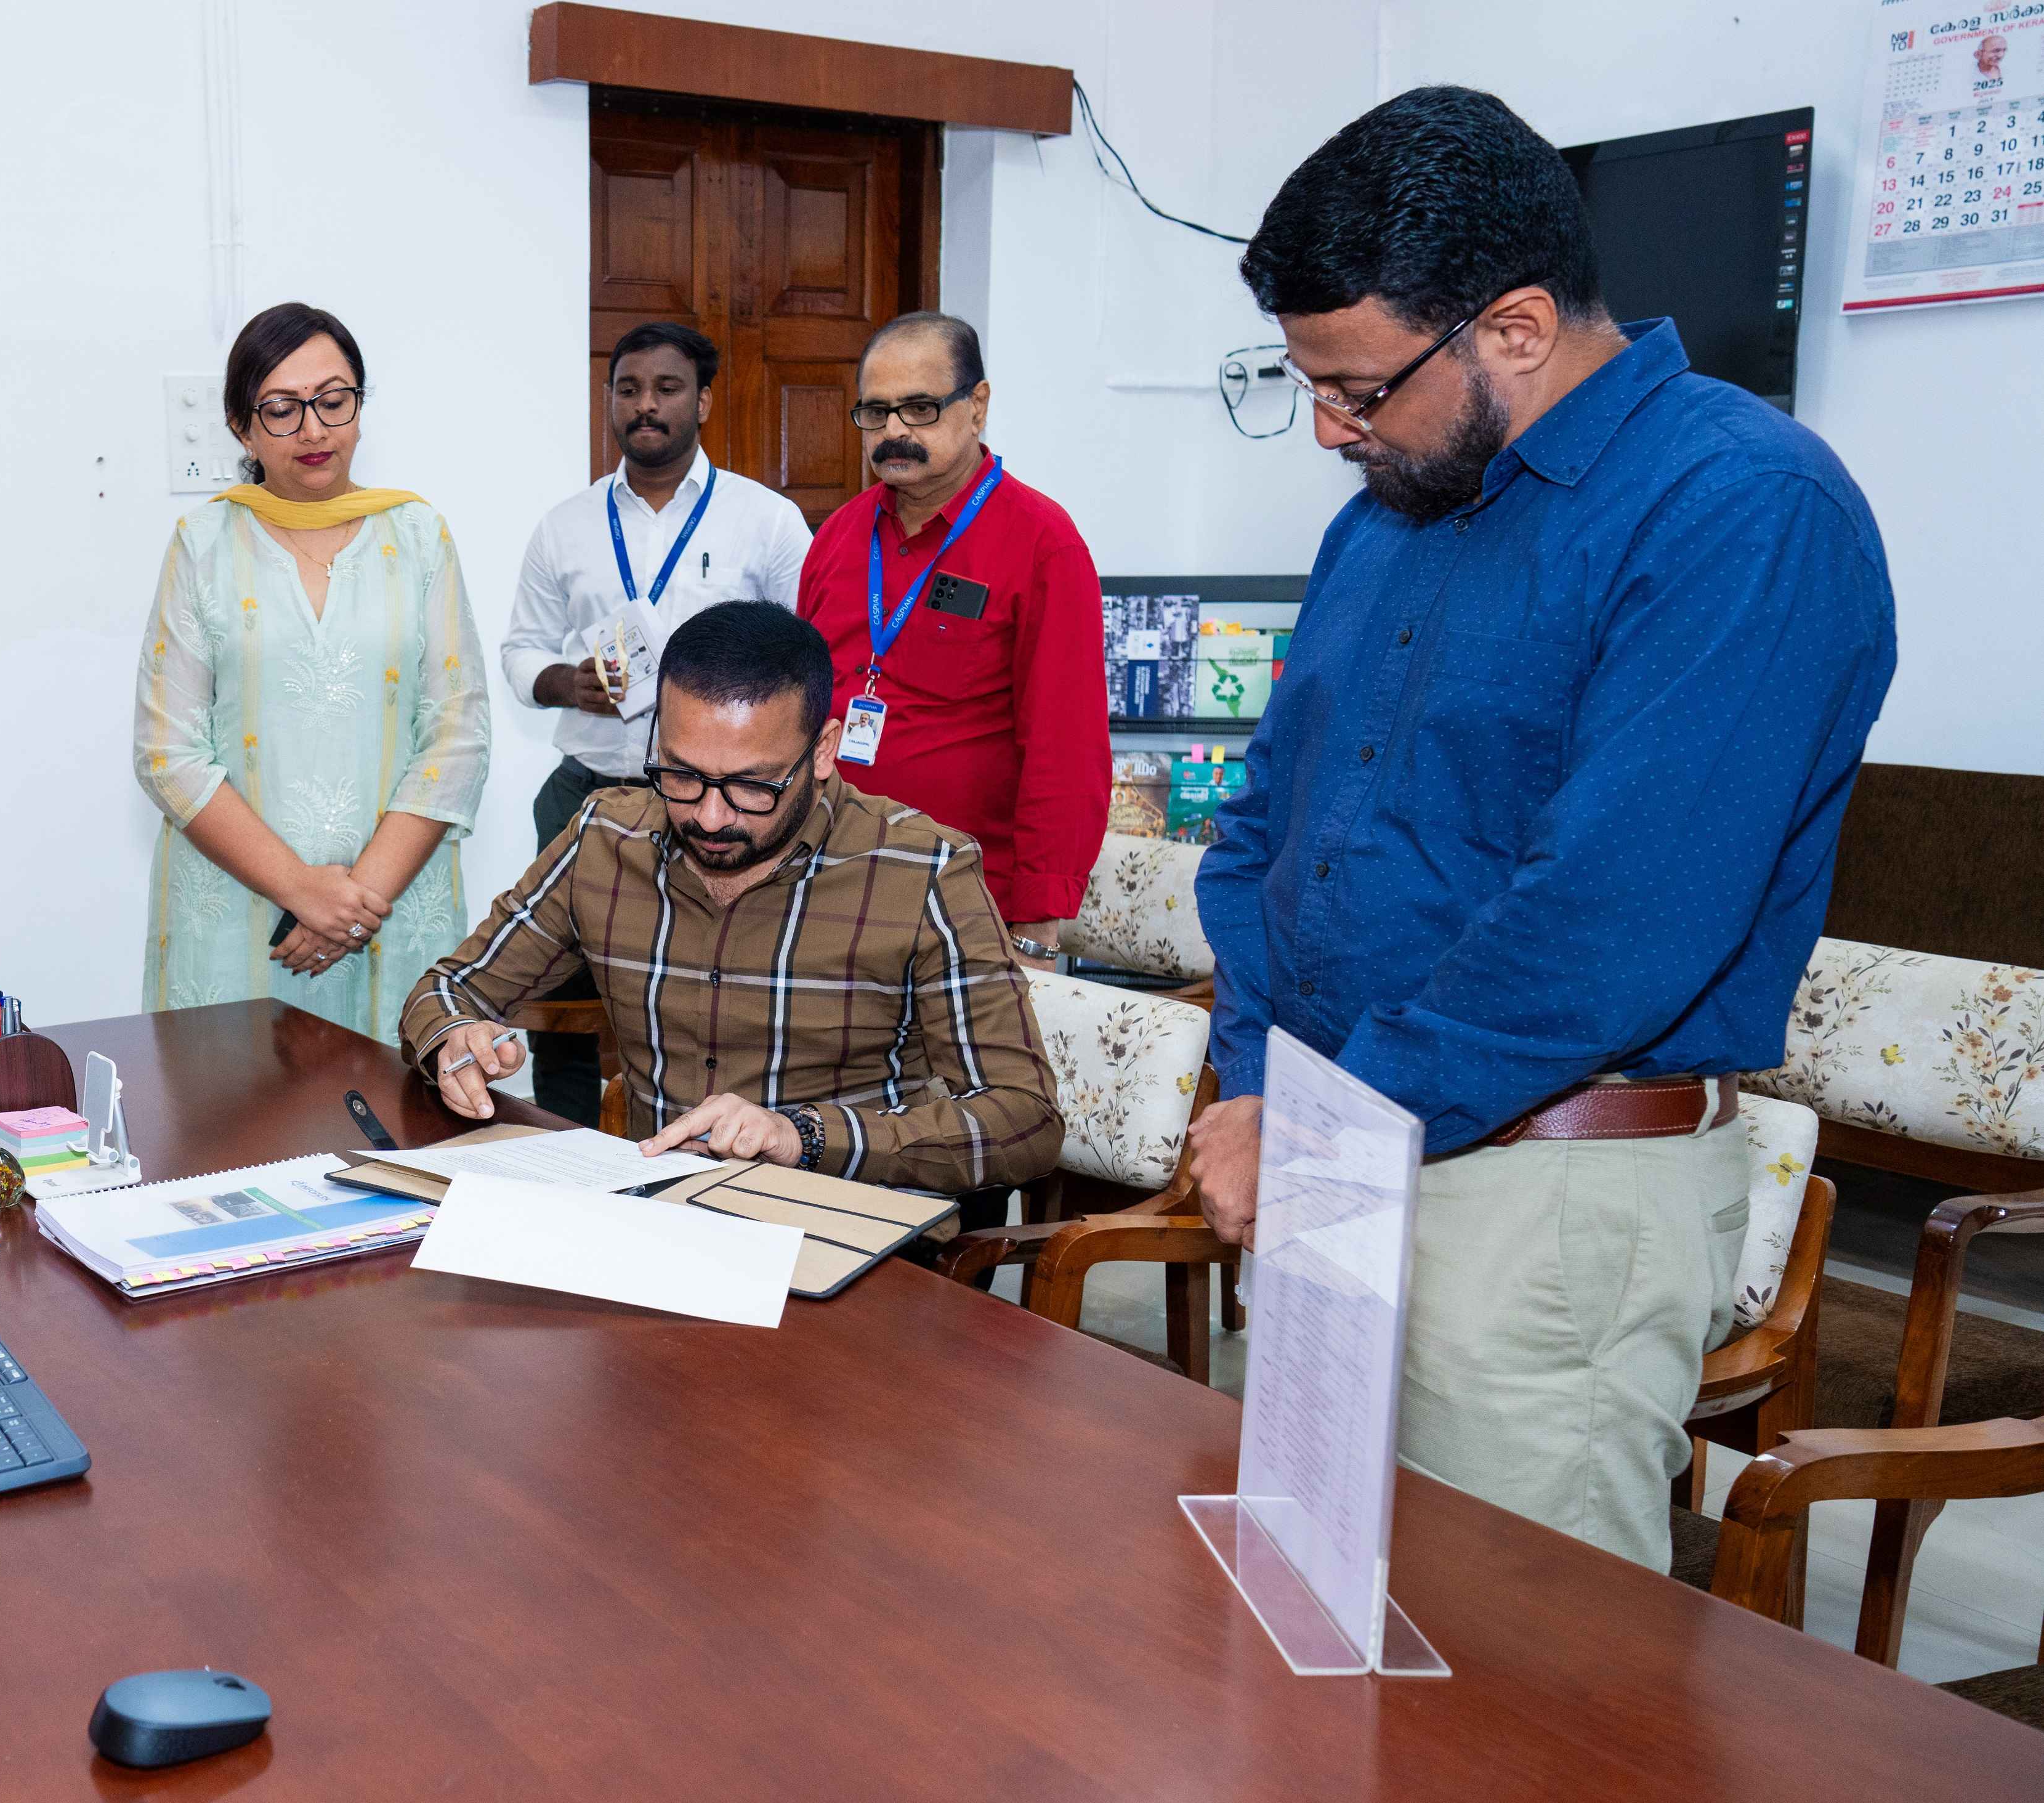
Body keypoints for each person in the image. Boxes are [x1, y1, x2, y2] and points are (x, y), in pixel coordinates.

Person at [1186, 87, 1897, 1571]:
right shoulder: (1387, 507)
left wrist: (1331, 1125)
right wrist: (1262, 1086)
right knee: (1306, 1625)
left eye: (1360, 387)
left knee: (1521, 1698)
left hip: (1543, 1195)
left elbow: (1613, 920)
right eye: (1303, 380)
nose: (1327, 429)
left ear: (1511, 328)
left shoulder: (1738, 507)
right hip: (1338, 1140)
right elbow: (1266, 835)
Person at [401, 601, 1060, 1192]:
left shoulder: (922, 870)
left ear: (824, 749)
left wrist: (801, 1135)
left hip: (841, 1233)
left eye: (752, 786)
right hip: (655, 1223)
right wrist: (456, 1038)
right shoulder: (604, 837)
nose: (711, 818)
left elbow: (1024, 1120)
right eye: (681, 775)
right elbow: (448, 988)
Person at [133, 301, 490, 1043]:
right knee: (232, 1133)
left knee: (397, 1144)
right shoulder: (203, 543)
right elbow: (168, 752)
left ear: (360, 405)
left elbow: (457, 735)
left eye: (334, 401)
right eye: (283, 409)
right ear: (241, 426)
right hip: (243, 916)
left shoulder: (420, 535)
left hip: (392, 910)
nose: (315, 429)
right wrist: (302, 890)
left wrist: (355, 904)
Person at [502, 320, 810, 1122]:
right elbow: (518, 650)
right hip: (587, 792)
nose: (645, 405)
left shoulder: (767, 522)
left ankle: (715, 1148)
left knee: (715, 995)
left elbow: (805, 653)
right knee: (562, 994)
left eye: (666, 388)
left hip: (722, 800)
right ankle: (564, 1144)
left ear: (703, 399)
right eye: (628, 388)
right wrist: (562, 681)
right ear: (608, 400)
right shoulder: (563, 526)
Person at [793, 312, 1109, 968]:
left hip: (964, 907)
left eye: (920, 407)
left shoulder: (1042, 543)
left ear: (978, 406)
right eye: (876, 413)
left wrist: (1036, 931)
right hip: (828, 892)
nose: (896, 432)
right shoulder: (836, 539)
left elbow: (1066, 749)